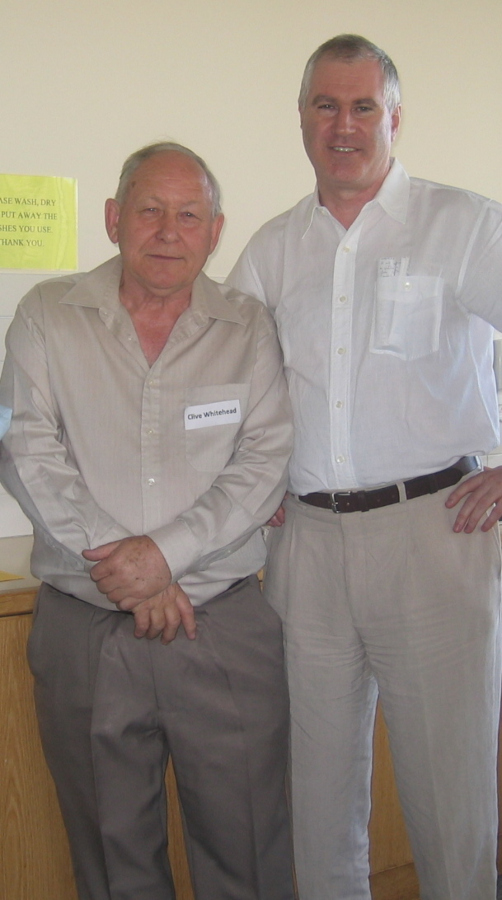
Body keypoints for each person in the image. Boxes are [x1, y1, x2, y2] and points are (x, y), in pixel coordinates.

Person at [227, 34, 502, 900]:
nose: (342, 126)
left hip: (436, 533)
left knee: (449, 794)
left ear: (393, 117)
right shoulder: (272, 249)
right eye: (324, 106)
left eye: (360, 107)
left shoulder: (464, 224)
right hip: (303, 547)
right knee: (318, 796)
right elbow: (228, 380)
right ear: (302, 117)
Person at [0, 141, 296, 900]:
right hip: (86, 627)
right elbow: (27, 448)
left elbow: (263, 461)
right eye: (150, 210)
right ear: (113, 219)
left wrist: (164, 557)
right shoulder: (45, 317)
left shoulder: (248, 327)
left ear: (216, 230)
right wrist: (128, 573)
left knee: (250, 850)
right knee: (111, 855)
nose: (169, 230)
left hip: (223, 623)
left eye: (188, 214)